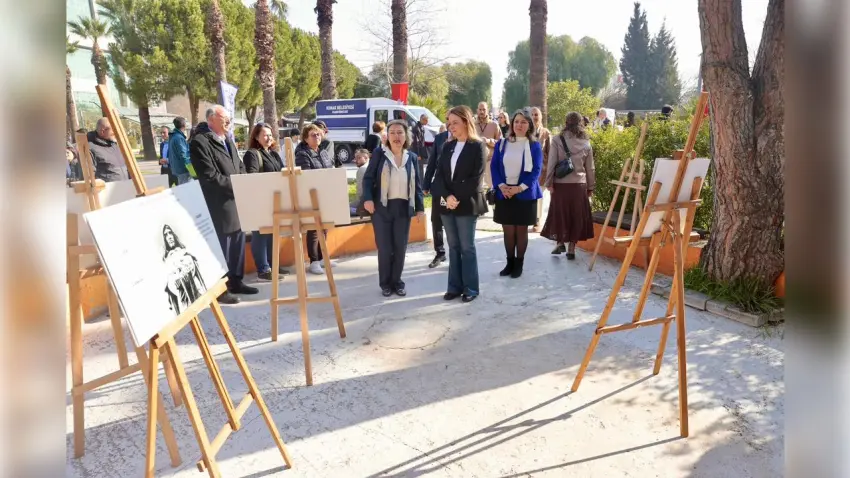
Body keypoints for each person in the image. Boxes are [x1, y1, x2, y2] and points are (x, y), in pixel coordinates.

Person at [190, 105, 258, 304]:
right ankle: (220, 289)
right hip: (219, 204)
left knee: (237, 243)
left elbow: (240, 166)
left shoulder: (227, 139)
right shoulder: (200, 142)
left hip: (236, 201)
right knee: (222, 247)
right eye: (225, 118)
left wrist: (244, 183)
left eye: (229, 118)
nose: (229, 121)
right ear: (211, 119)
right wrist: (237, 186)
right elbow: (209, 177)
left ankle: (236, 281)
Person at [361, 120, 425, 297]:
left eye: (400, 132)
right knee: (384, 247)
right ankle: (385, 283)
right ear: (387, 137)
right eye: (393, 133)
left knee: (400, 247)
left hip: (403, 208)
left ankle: (397, 282)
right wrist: (368, 199)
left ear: (406, 136)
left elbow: (417, 184)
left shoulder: (411, 157)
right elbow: (368, 179)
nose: (397, 136)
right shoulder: (380, 154)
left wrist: (420, 208)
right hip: (382, 208)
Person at [438, 105, 489, 303]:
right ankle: (454, 287)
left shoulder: (478, 146)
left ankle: (471, 288)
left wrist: (455, 198)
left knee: (467, 247)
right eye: (449, 123)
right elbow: (440, 176)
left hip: (467, 204)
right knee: (453, 246)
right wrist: (447, 197)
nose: (451, 126)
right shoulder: (447, 146)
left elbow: (475, 179)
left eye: (455, 122)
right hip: (447, 204)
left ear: (466, 122)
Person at [490, 109, 544, 278]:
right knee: (508, 231)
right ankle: (509, 262)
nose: (519, 125)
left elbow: (536, 171)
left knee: (521, 231)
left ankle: (519, 264)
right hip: (504, 192)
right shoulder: (502, 143)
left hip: (525, 194)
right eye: (517, 121)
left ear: (529, 125)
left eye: (524, 122)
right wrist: (501, 186)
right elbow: (494, 166)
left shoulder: (534, 145)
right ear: (512, 124)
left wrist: (519, 188)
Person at [541, 111, 596, 260]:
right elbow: (590, 168)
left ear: (566, 123)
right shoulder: (586, 143)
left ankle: (560, 243)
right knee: (576, 216)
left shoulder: (558, 140)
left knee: (561, 214)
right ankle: (572, 248)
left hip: (561, 186)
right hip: (579, 185)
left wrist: (549, 183)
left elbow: (552, 162)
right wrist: (591, 186)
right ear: (581, 124)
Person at [243, 122, 289, 281]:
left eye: (270, 135)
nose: (269, 138)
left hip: (275, 200)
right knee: (260, 235)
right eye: (265, 135)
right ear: (256, 136)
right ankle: (263, 269)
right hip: (260, 200)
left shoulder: (274, 154)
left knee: (273, 234)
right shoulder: (252, 154)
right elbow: (252, 177)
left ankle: (273, 264)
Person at [295, 123, 336, 274]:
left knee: (323, 227)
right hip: (311, 196)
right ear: (306, 138)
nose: (317, 137)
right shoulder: (302, 154)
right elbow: (307, 176)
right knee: (313, 229)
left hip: (325, 194)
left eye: (318, 134)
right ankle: (313, 261)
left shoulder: (323, 152)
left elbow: (330, 169)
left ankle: (322, 257)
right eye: (313, 135)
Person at [423, 116, 450, 268]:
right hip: (439, 187)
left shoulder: (466, 139)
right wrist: (426, 184)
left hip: (457, 190)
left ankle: (458, 252)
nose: (450, 123)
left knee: (454, 221)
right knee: (437, 220)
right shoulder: (440, 138)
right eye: (448, 120)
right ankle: (440, 253)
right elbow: (432, 163)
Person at [162, 224, 206, 314]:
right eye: (166, 234)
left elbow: (193, 264)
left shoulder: (183, 251)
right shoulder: (166, 258)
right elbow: (168, 278)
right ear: (165, 239)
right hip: (178, 288)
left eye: (170, 233)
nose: (169, 236)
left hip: (190, 283)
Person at [529, 107, 551, 233]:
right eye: (532, 114)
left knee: (539, 197)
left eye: (536, 114)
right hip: (528, 170)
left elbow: (551, 153)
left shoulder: (546, 133)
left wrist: (549, 171)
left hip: (542, 171)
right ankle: (529, 219)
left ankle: (537, 221)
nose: (534, 117)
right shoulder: (526, 132)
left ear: (540, 116)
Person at [87, 118, 129, 182]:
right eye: (113, 130)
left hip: (126, 187)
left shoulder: (116, 145)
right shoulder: (90, 148)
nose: (116, 132)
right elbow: (89, 177)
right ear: (103, 131)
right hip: (108, 190)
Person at [474, 101, 502, 189]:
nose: (482, 112)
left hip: (490, 160)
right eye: (480, 109)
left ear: (487, 110)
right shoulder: (472, 124)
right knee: (477, 187)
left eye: (484, 109)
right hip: (475, 161)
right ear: (477, 110)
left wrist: (489, 141)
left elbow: (501, 143)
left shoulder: (494, 125)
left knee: (492, 187)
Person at [167, 116, 195, 185]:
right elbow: (184, 155)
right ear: (184, 125)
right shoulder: (179, 138)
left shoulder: (173, 136)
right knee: (186, 191)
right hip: (183, 170)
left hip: (177, 169)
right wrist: (192, 171)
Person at [350, 148, 370, 215]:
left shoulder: (362, 169)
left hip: (366, 206)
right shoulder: (372, 166)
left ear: (366, 157)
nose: (356, 160)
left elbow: (361, 195)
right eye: (355, 158)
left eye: (358, 158)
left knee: (344, 208)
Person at [411, 113, 430, 180]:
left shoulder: (421, 127)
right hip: (417, 152)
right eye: (426, 120)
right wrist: (417, 154)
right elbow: (416, 143)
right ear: (423, 120)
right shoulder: (416, 128)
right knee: (419, 169)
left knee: (421, 169)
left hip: (421, 151)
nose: (427, 122)